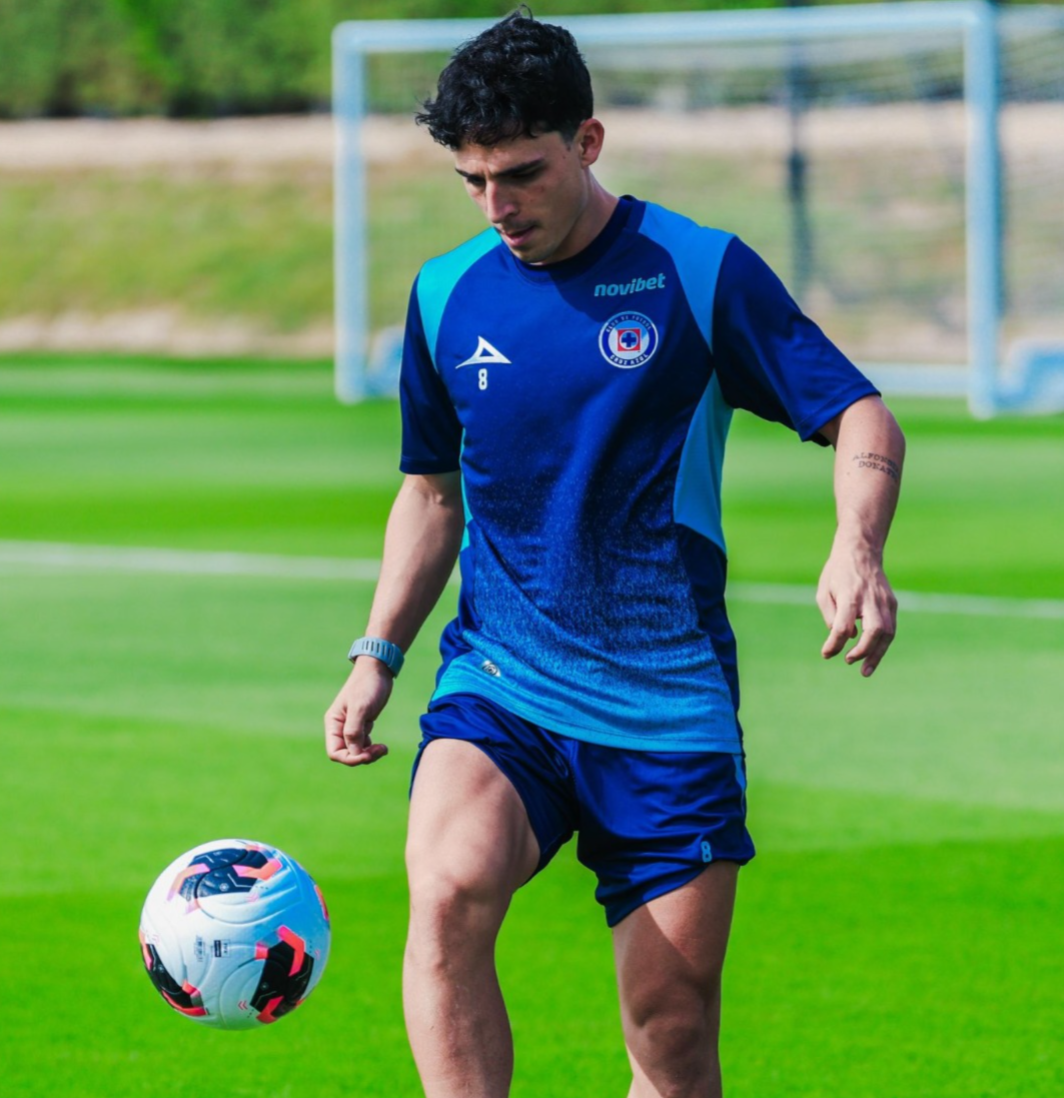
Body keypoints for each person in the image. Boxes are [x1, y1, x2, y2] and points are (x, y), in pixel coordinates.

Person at [324, 10, 905, 1097]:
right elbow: (429, 491)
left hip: (666, 707)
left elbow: (862, 415)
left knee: (670, 1036)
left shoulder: (698, 272)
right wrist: (378, 654)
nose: (498, 207)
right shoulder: (446, 295)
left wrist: (856, 548)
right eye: (473, 181)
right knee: (446, 892)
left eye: (522, 175)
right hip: (502, 683)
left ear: (588, 144)